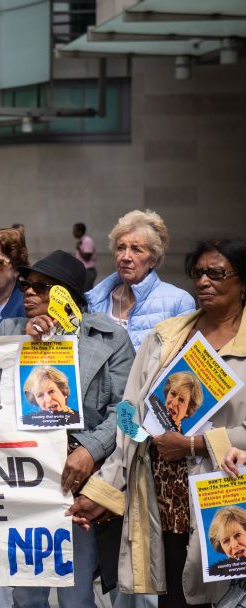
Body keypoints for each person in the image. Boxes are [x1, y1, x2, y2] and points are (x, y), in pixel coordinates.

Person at [68, 239, 246, 607]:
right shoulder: (165, 337)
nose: (203, 282)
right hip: (162, 502)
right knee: (176, 596)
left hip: (229, 500)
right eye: (198, 273)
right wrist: (103, 490)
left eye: (217, 273)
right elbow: (130, 415)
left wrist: (196, 445)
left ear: (242, 281)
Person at [0, 249, 135, 607]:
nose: (28, 293)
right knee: (26, 594)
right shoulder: (7, 331)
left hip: (81, 485)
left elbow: (128, 410)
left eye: (41, 287)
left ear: (68, 294)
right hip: (28, 482)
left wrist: (90, 449)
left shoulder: (110, 338)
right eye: (26, 285)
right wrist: (23, 345)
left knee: (76, 594)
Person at [87, 210, 196, 349]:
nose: (126, 257)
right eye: (121, 248)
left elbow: (184, 363)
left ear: (153, 259)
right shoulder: (97, 300)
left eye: (136, 249)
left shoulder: (179, 302)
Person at [74, 222, 98, 289]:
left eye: (75, 230)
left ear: (80, 231)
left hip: (88, 272)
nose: (73, 232)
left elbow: (87, 257)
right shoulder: (81, 241)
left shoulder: (87, 241)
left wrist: (79, 248)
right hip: (82, 271)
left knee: (86, 294)